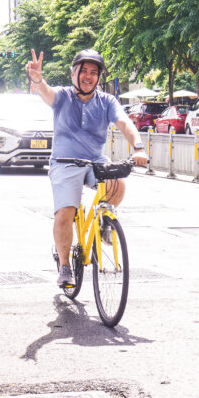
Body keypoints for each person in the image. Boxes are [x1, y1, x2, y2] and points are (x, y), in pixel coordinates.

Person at [26, 48, 149, 288]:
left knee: (118, 183)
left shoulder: (107, 101)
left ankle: (104, 223)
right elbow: (47, 93)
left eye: (94, 72)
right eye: (84, 71)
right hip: (64, 163)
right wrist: (38, 79)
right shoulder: (63, 96)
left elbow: (124, 123)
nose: (88, 76)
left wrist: (139, 148)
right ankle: (64, 266)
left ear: (98, 78)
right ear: (74, 74)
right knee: (65, 213)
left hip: (95, 162)